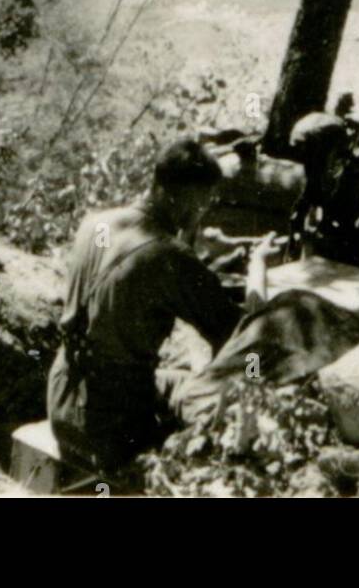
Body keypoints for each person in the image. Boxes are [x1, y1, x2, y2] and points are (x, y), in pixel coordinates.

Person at [47, 138, 243, 477]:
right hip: (111, 425)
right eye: (199, 203)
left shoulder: (97, 223)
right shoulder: (170, 256)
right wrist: (254, 285)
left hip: (63, 397)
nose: (202, 211)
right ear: (175, 195)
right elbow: (233, 335)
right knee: (206, 400)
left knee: (170, 380)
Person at [286, 112, 359, 264]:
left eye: (309, 152)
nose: (304, 160)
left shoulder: (357, 178)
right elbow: (301, 213)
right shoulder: (313, 174)